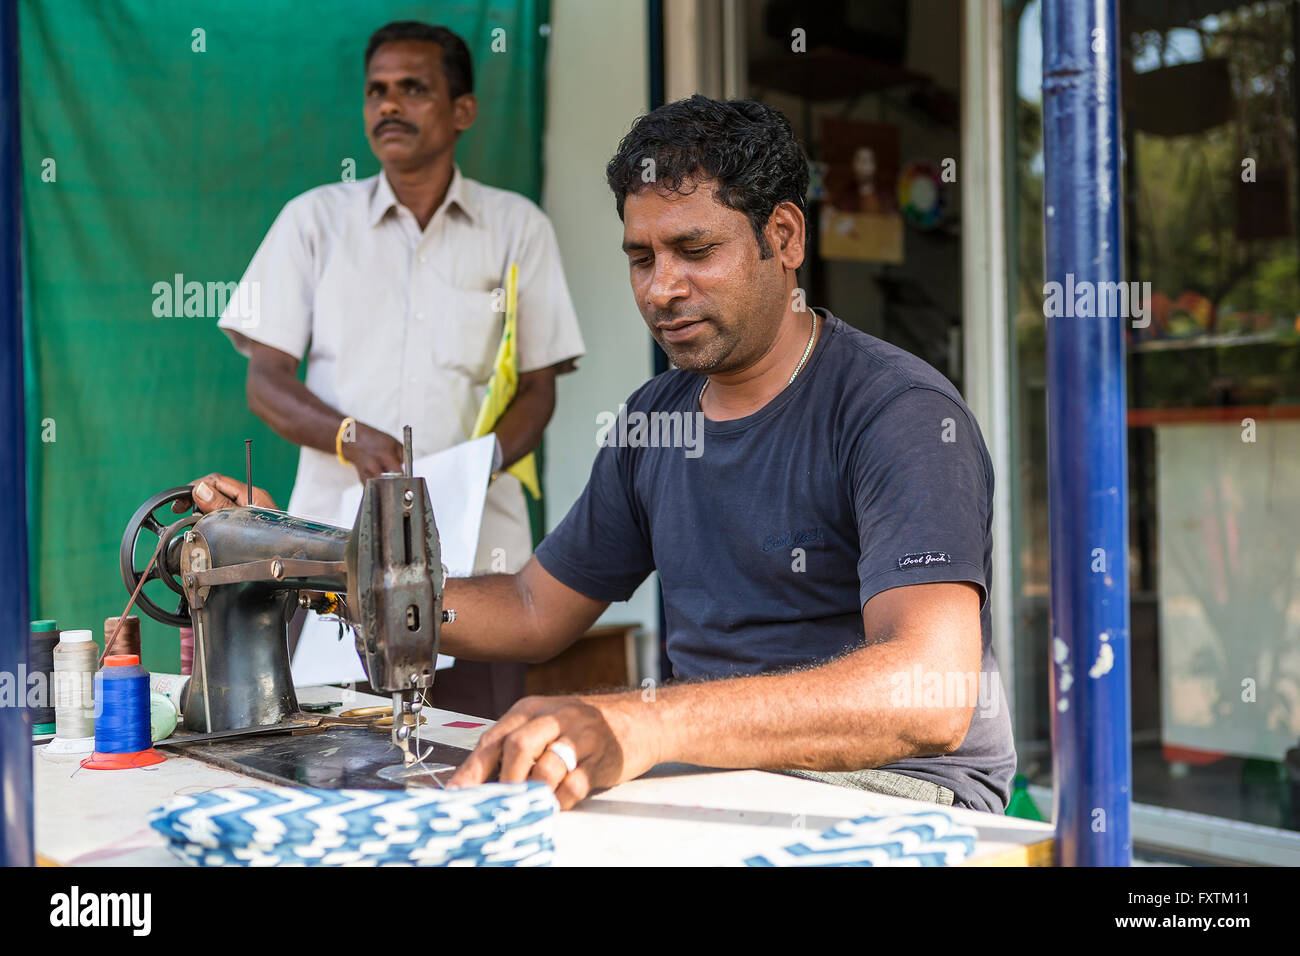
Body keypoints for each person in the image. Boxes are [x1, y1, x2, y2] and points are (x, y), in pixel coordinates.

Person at [207, 95, 1016, 813]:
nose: (661, 288)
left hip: (904, 790)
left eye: (695, 251)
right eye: (641, 257)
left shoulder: (896, 413)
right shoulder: (654, 420)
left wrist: (642, 722)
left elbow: (928, 692)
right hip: (724, 770)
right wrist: (315, 564)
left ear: (785, 236)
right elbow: (533, 610)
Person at [213, 21, 585, 718]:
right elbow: (265, 379)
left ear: (463, 110)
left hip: (476, 564)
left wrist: (470, 471)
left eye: (413, 89)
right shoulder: (313, 222)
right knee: (331, 756)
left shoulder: (518, 228)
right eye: (377, 91)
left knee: (477, 757)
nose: (389, 106)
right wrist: (349, 436)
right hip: (330, 558)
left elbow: (539, 388)